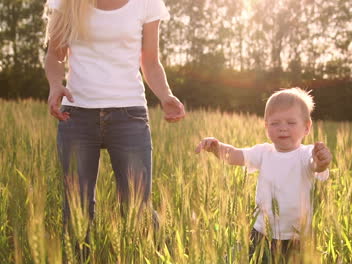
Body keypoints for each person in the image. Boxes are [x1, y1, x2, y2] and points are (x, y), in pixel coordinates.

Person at [43, 0, 184, 241]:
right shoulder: (66, 2)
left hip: (129, 115)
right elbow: (55, 56)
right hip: (77, 116)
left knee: (137, 208)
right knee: (77, 210)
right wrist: (56, 85)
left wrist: (165, 95)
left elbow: (150, 61)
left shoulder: (147, 3)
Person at [195, 88, 332, 262]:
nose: (283, 128)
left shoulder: (307, 153)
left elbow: (316, 166)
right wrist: (217, 147)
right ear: (266, 127)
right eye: (275, 123)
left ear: (306, 127)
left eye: (291, 123)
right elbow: (235, 155)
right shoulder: (263, 152)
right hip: (261, 233)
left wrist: (322, 162)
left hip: (297, 236)